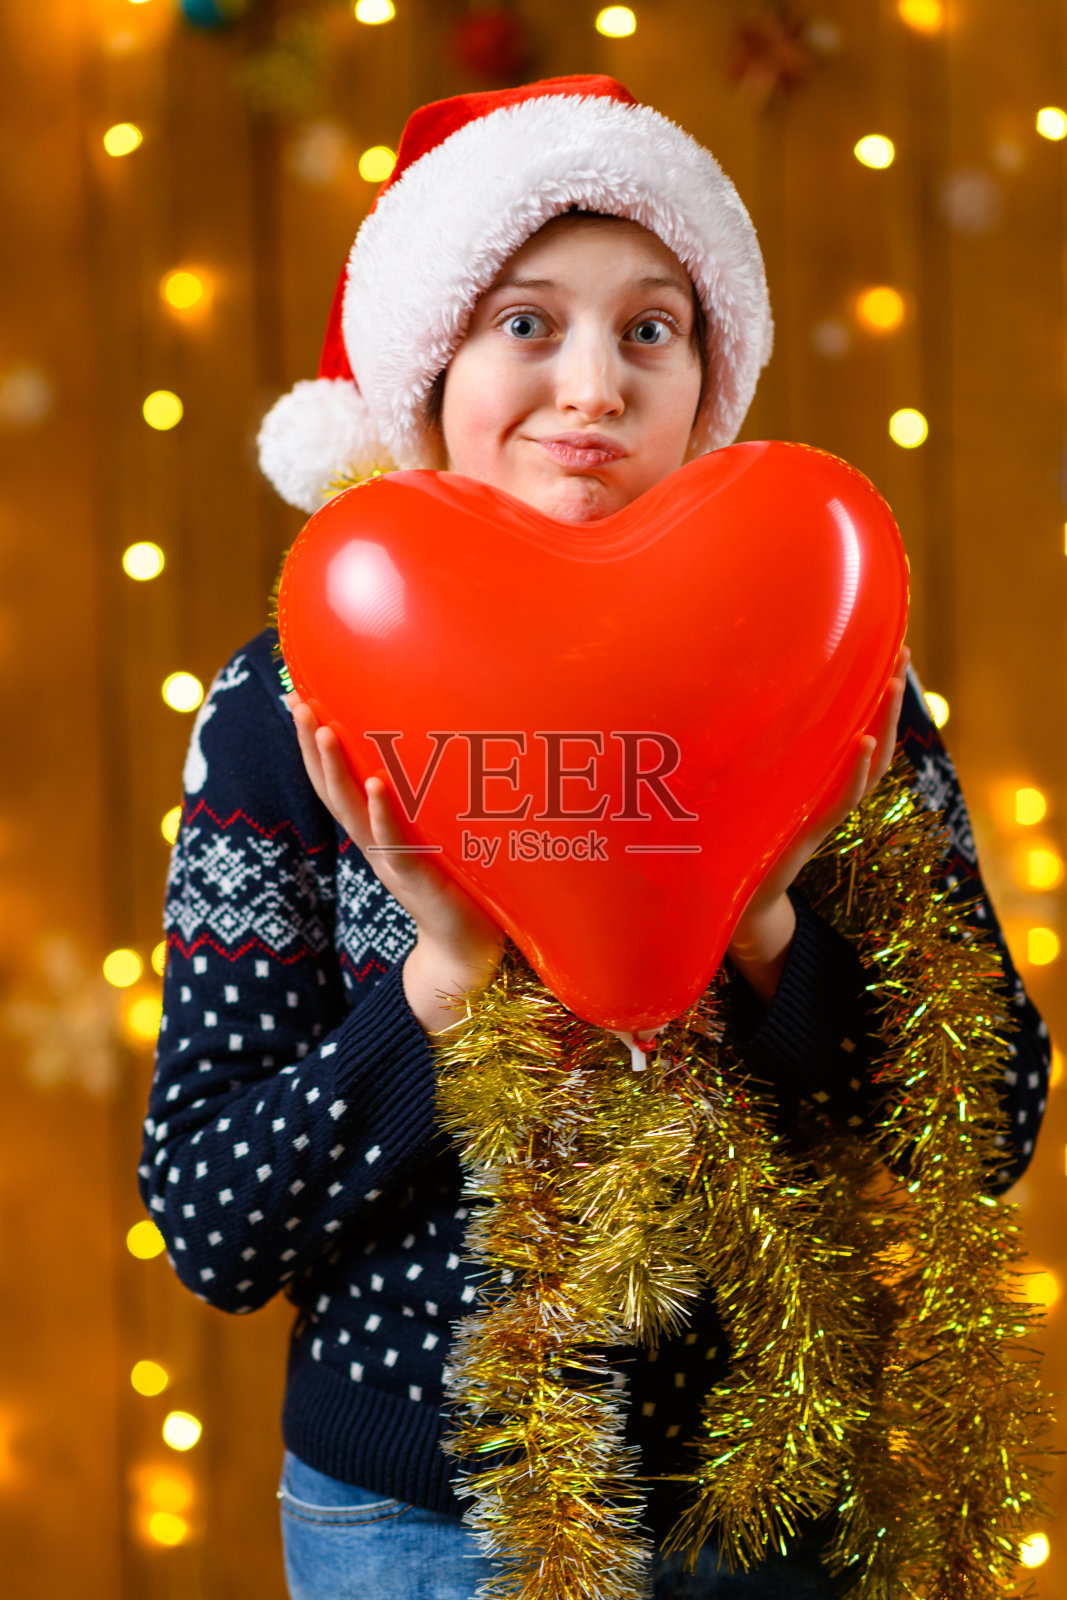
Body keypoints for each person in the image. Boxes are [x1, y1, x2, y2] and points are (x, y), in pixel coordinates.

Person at [140, 76, 1050, 1600]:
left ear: (710, 375)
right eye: (524, 323)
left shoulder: (836, 667)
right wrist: (439, 981)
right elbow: (219, 1226)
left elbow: (992, 1117)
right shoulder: (290, 703)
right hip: (428, 1528)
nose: (593, 385)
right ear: (429, 366)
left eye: (651, 326)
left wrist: (768, 940)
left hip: (781, 1510)